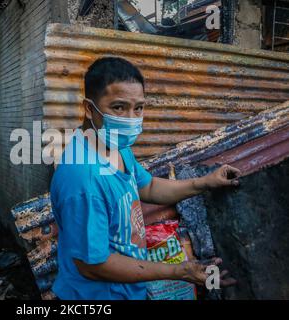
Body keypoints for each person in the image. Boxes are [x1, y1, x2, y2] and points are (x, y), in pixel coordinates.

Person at [50, 57, 239, 300]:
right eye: (118, 107)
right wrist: (179, 271)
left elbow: (147, 186)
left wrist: (204, 183)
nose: (130, 118)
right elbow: (92, 265)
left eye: (138, 108)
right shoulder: (82, 178)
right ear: (89, 108)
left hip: (128, 291)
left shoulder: (114, 145)